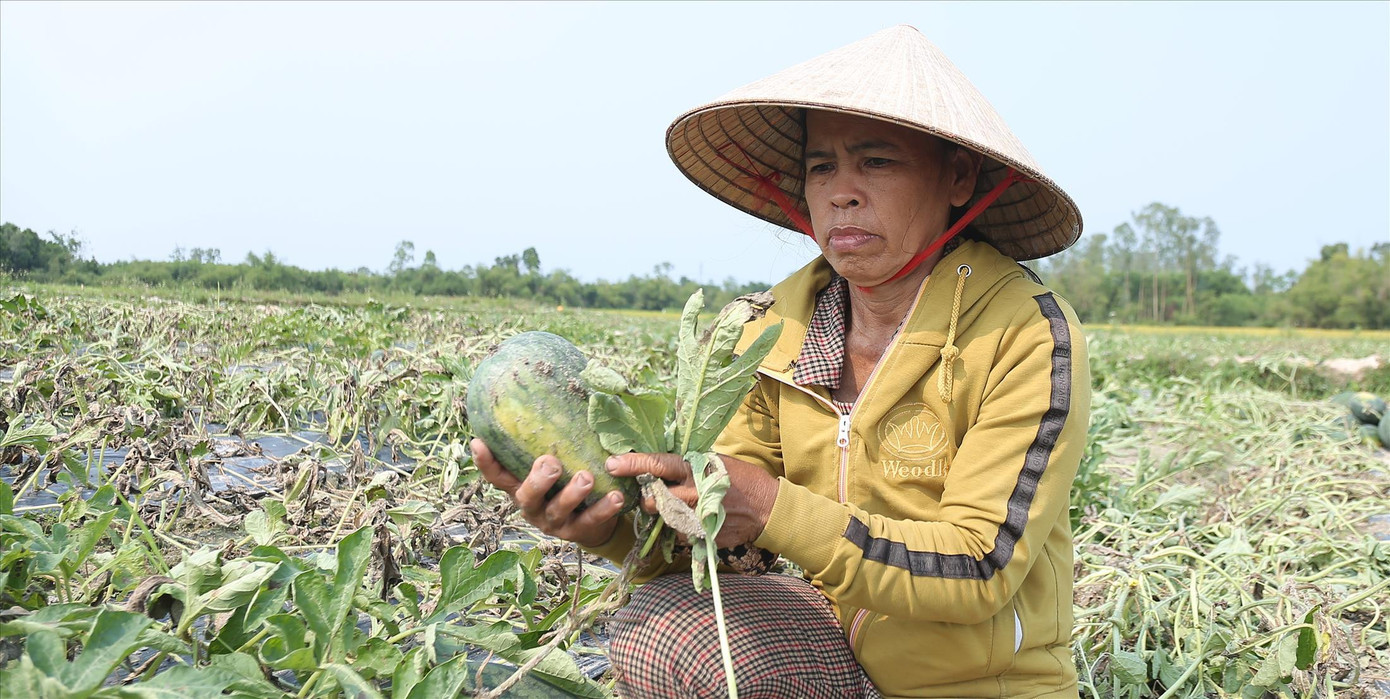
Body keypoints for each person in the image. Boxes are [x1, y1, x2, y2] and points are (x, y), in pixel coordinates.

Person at [472, 25, 1090, 699]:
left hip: (982, 686)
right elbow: (730, 551)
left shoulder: (1023, 333)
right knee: (664, 624)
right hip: (838, 659)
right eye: (822, 166)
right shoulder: (771, 330)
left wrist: (771, 501)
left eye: (876, 163)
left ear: (958, 176)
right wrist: (612, 532)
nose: (841, 193)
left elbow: (981, 565)